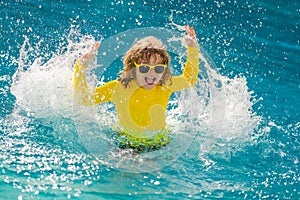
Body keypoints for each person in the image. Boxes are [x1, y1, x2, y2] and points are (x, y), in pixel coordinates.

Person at [73, 25, 199, 152]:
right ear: (133, 68)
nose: (152, 74)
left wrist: (193, 48)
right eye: (144, 68)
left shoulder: (165, 85)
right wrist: (81, 67)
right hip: (127, 144)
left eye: (158, 68)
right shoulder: (119, 87)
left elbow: (189, 79)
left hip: (159, 143)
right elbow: (84, 99)